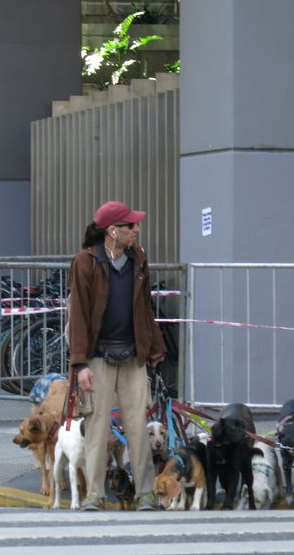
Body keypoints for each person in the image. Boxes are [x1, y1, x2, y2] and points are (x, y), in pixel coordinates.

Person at [68, 200, 167, 511]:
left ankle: (146, 493)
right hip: (97, 355)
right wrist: (80, 363)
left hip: (132, 355)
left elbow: (145, 309)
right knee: (97, 426)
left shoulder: (139, 259)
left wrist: (154, 348)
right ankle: (94, 494)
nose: (136, 229)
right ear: (112, 231)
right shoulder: (85, 262)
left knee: (138, 423)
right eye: (130, 226)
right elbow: (79, 316)